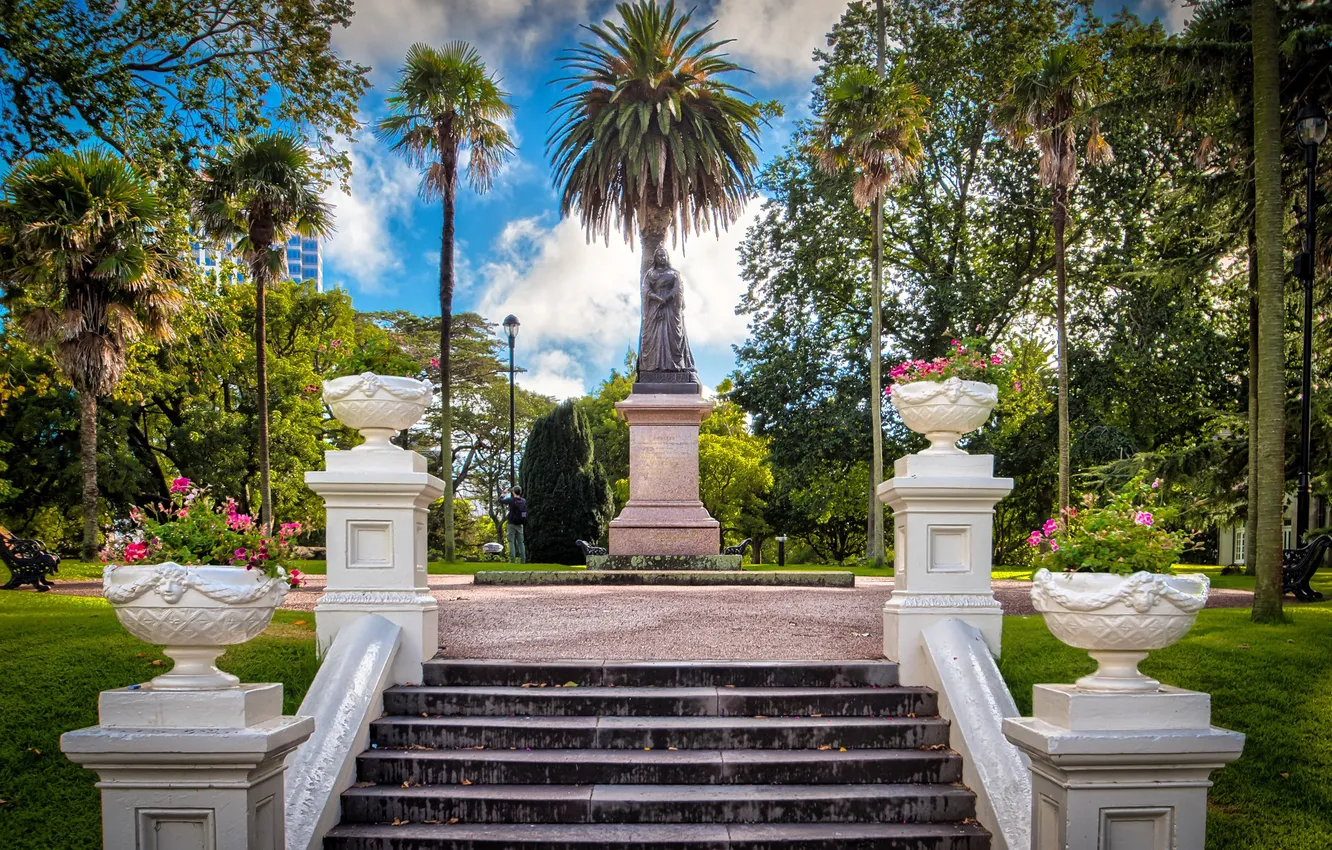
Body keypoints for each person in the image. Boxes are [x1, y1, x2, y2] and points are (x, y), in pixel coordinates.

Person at [499, 486, 527, 564]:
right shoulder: (523, 501)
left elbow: (500, 500)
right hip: (520, 524)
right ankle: (523, 560)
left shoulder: (511, 500)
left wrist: (503, 493)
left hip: (511, 523)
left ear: (513, 492)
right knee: (521, 543)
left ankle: (512, 560)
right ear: (520, 492)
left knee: (511, 541)